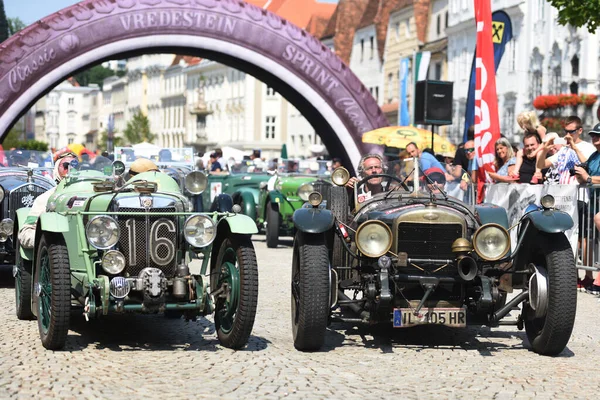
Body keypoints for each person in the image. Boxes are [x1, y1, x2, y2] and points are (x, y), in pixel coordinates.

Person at [18, 152, 78, 249]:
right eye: (66, 166)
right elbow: (25, 233)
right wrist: (48, 241)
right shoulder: (45, 198)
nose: (71, 169)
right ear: (57, 169)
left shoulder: (91, 197)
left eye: (75, 165)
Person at [574, 123, 600, 293]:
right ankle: (590, 277)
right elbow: (585, 177)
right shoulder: (593, 156)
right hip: (594, 203)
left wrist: (588, 178)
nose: (595, 138)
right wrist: (580, 176)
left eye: (598, 135)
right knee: (589, 240)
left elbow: (590, 178)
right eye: (593, 135)